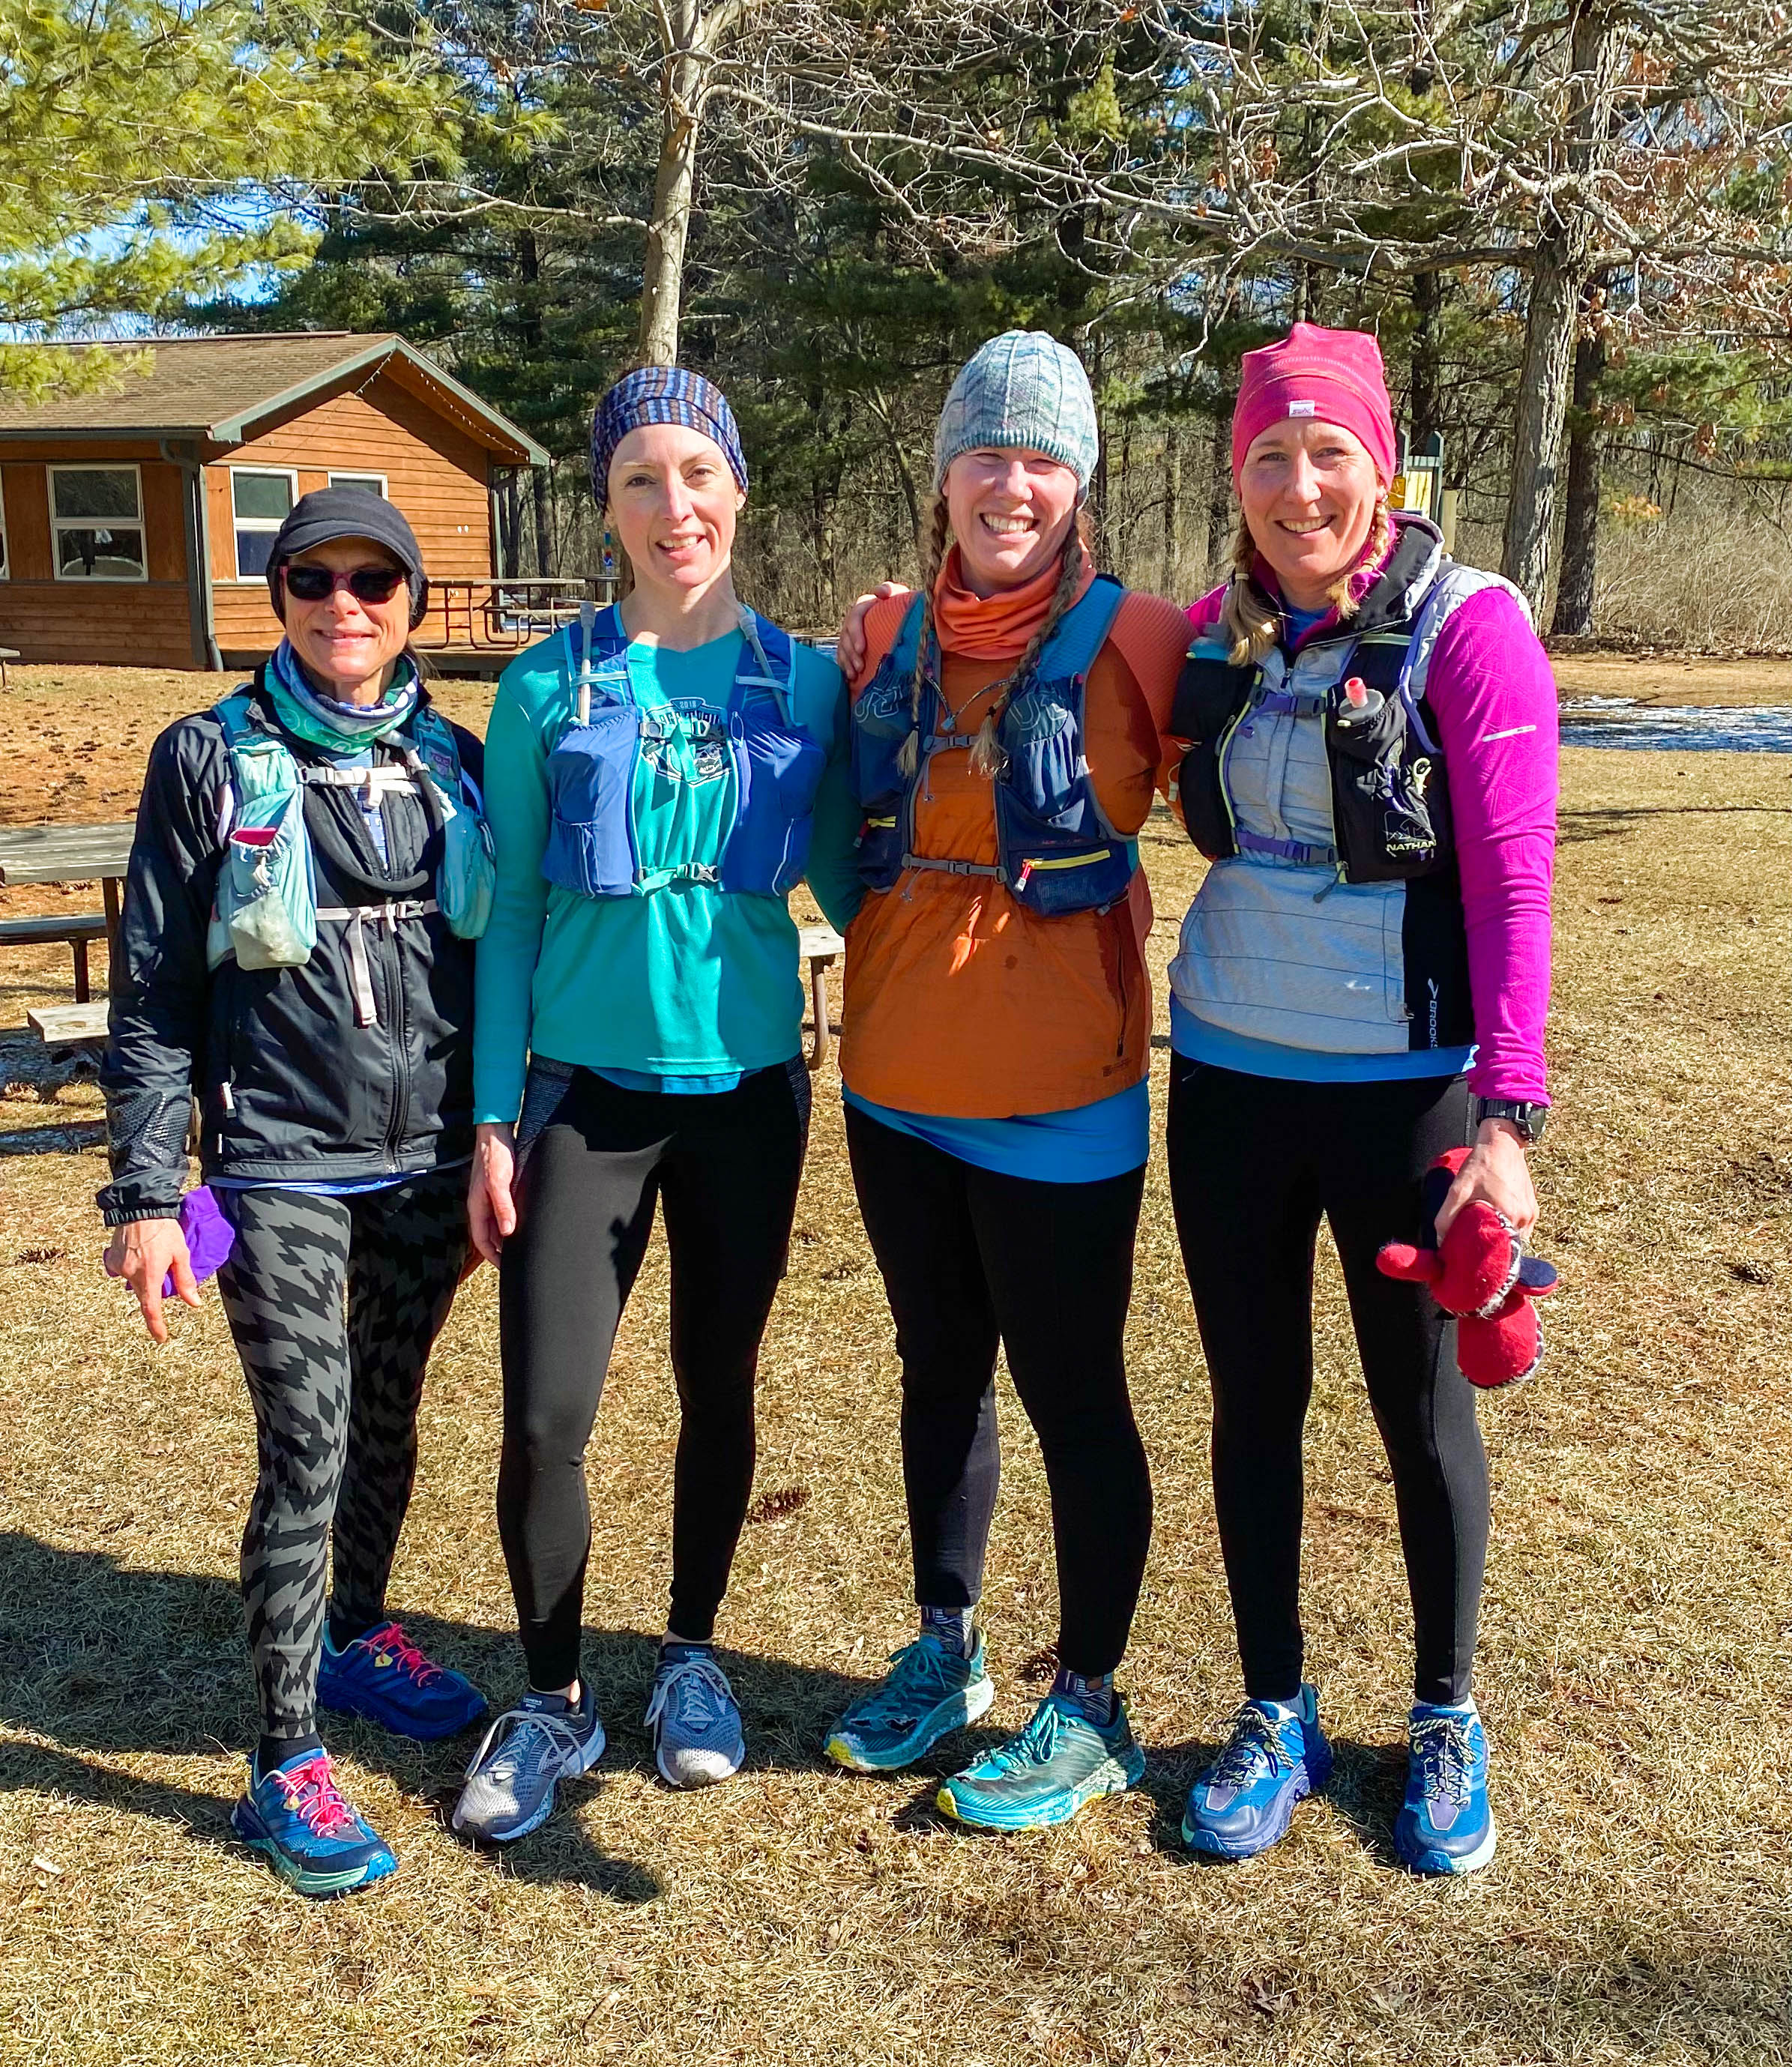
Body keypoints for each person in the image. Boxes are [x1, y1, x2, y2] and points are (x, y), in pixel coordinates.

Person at [1165, 323, 1557, 1873]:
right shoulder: (1209, 629)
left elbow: (1515, 879)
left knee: (1418, 1408)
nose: (1298, 483)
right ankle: (1274, 1706)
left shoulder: (1466, 627)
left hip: (1404, 1092)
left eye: (1327, 451)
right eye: (1267, 454)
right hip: (1226, 1078)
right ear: (1235, 475)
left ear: (1380, 464)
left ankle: (1444, 1711)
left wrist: (1503, 1123)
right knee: (1250, 1400)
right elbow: (1042, 649)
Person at [453, 367, 860, 1844]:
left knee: (718, 1383)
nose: (671, 505)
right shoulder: (542, 684)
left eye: (697, 472)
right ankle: (555, 1696)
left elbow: (854, 878)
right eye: (640, 477)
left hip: (748, 1095)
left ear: (737, 488)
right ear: (606, 503)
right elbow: (502, 921)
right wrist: (492, 1120)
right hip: (582, 1102)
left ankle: (690, 1653)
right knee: (548, 1410)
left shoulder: (805, 683)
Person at [100, 489, 492, 1897]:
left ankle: (361, 1632)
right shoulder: (205, 756)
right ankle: (283, 1758)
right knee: (309, 1443)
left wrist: (499, 1141)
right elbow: (150, 993)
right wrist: (149, 1191)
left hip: (427, 1164)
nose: (345, 605)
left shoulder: (456, 757)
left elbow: (491, 971)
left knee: (388, 1417)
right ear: (279, 598)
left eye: (374, 582)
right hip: (273, 1167)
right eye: (314, 579)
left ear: (411, 602)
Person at [824, 332, 1190, 1831]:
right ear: (944, 470)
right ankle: (944, 1647)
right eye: (986, 451)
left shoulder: (1148, 641)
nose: (1011, 482)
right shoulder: (883, 633)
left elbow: (1273, 769)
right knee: (934, 1374)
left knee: (1072, 1394)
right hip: (892, 1086)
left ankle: (1091, 1701)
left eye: (1042, 457)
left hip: (1056, 1105)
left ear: (1079, 479)